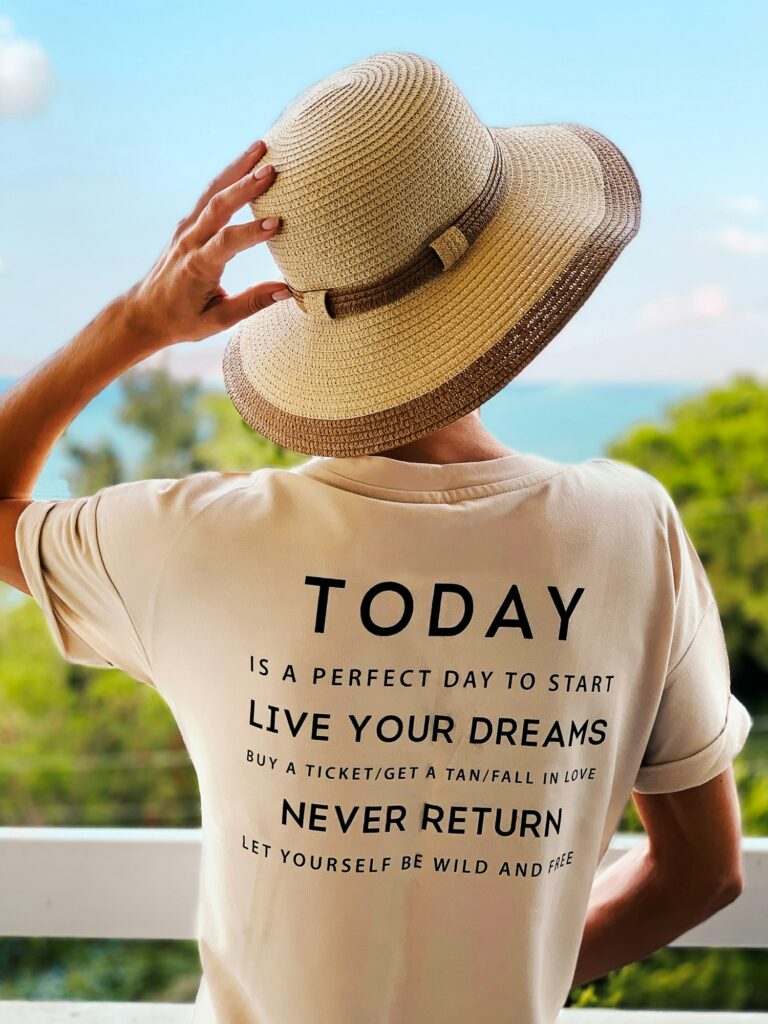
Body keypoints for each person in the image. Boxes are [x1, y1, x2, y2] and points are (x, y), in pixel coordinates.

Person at [0, 50, 753, 1024]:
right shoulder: (631, 528)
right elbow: (703, 872)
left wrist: (134, 324)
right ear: (513, 269)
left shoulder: (196, 540)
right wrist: (505, 983)